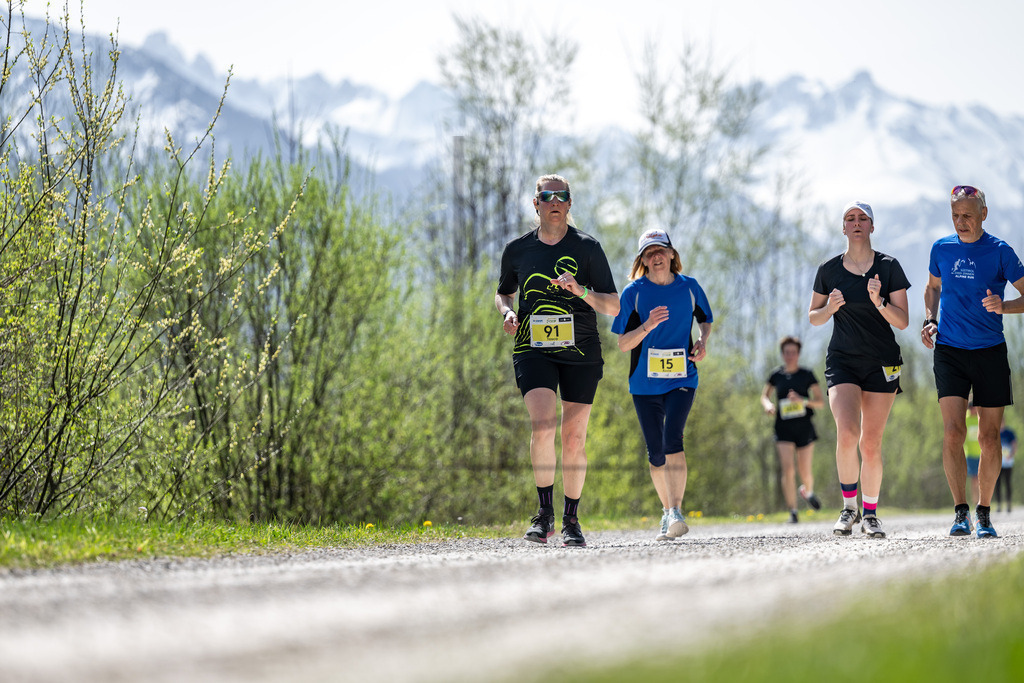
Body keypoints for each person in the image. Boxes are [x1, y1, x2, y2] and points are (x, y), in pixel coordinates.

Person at [496, 174, 619, 548]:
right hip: (533, 347)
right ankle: (544, 514)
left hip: (581, 351)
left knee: (574, 437)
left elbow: (613, 305)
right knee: (543, 425)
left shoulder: (587, 248)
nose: (554, 201)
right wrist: (507, 312)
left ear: (569, 203)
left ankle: (571, 519)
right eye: (546, 195)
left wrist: (580, 291)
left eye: (561, 195)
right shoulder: (517, 250)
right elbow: (504, 293)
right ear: (535, 203)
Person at [922, 185, 1024, 538]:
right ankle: (960, 512)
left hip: (990, 351)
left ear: (984, 214)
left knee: (990, 438)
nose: (960, 222)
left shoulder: (1000, 251)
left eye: (967, 215)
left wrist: (1004, 306)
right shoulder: (941, 248)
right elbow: (932, 287)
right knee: (953, 432)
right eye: (955, 215)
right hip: (949, 351)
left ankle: (984, 513)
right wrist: (930, 319)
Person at [809, 201, 910, 539]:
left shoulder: (889, 267)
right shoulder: (828, 269)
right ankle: (848, 508)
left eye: (862, 218)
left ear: (871, 226)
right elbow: (813, 316)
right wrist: (829, 307)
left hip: (882, 362)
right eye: (850, 218)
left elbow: (903, 321)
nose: (856, 223)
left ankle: (871, 514)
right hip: (843, 361)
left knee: (871, 443)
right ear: (843, 227)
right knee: (848, 432)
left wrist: (879, 301)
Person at [611, 228, 713, 541]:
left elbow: (705, 319)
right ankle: (667, 511)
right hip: (644, 383)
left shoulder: (690, 287)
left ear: (671, 254)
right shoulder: (633, 293)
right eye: (649, 253)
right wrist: (648, 325)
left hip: (683, 377)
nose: (656, 256)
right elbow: (623, 344)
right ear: (642, 260)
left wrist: (702, 340)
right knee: (656, 452)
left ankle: (677, 510)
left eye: (660, 250)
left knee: (673, 439)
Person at [760, 336, 826, 523]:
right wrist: (768, 405)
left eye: (793, 352)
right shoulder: (776, 375)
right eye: (787, 352)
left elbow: (820, 402)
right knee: (788, 469)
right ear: (782, 354)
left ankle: (808, 492)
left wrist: (802, 400)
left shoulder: (807, 374)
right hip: (783, 428)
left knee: (805, 470)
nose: (790, 356)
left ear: (798, 354)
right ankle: (793, 511)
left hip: (804, 427)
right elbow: (764, 396)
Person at [995, 417, 1017, 513]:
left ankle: (1008, 503)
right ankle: (999, 504)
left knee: (1007, 483)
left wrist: (1011, 454)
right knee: (997, 484)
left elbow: (1014, 445)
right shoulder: (995, 433)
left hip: (1008, 463)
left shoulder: (1009, 433)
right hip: (997, 463)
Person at [964, 401, 981, 508]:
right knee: (974, 479)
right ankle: (975, 502)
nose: (971, 409)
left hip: (980, 453)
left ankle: (981, 501)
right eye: (969, 407)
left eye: (972, 407)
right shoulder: (965, 419)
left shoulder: (980, 418)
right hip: (970, 454)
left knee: (981, 479)